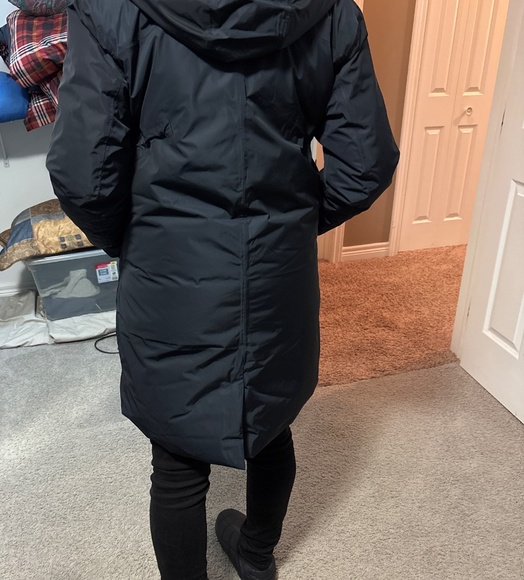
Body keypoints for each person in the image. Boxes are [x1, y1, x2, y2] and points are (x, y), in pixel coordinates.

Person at [46, 0, 399, 578]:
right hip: (275, 264)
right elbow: (365, 163)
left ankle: (246, 556)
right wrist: (290, 225)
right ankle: (256, 557)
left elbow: (83, 174)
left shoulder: (110, 8)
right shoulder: (332, 10)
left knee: (177, 458)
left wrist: (132, 240)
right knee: (270, 420)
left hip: (168, 262)